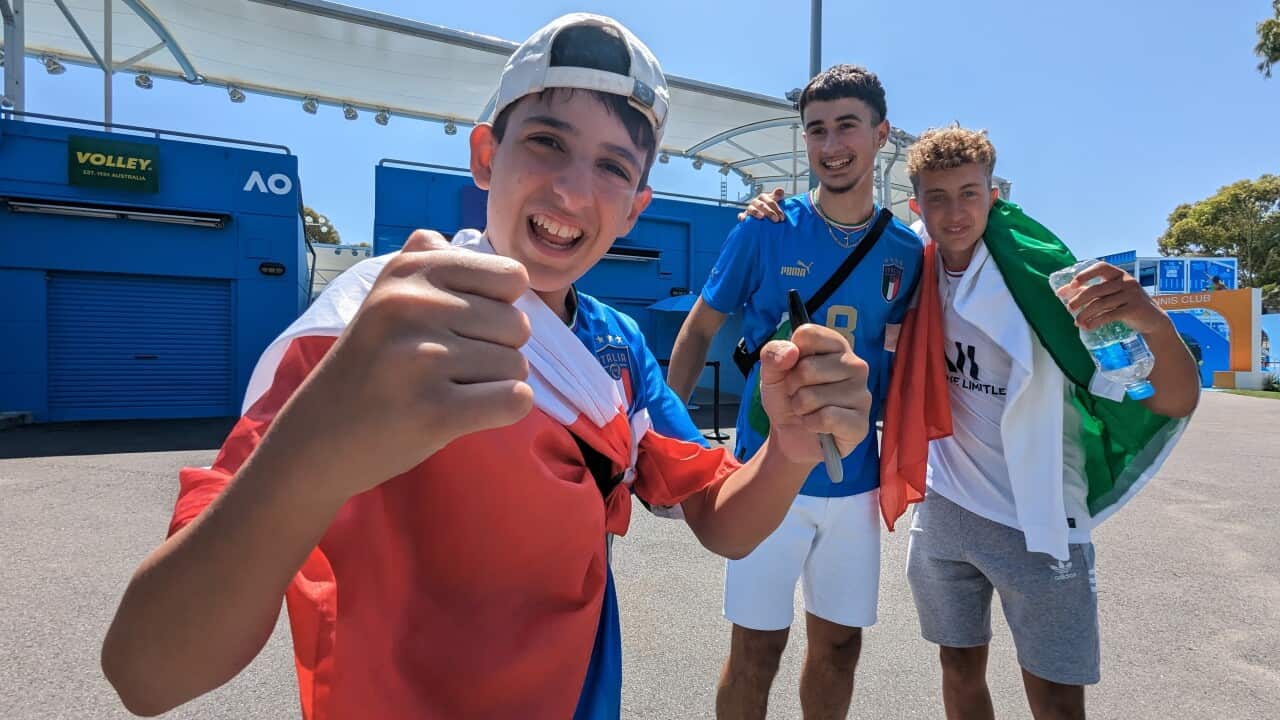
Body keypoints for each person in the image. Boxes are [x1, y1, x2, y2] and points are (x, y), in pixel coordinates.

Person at [99, 15, 874, 720]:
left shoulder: (619, 348)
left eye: (612, 166)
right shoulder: (368, 323)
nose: (573, 189)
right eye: (547, 142)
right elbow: (147, 673)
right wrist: (312, 453)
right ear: (485, 155)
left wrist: (790, 447)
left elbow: (722, 518)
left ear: (635, 209)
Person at [744, 126, 1200, 719]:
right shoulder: (913, 263)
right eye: (937, 197)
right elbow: (839, 234)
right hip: (946, 513)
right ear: (917, 205)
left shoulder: (1041, 282)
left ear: (994, 196)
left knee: (1057, 700)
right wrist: (773, 210)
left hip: (1038, 519)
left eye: (969, 194)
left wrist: (1153, 322)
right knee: (958, 674)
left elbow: (1171, 398)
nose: (954, 213)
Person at [666, 64, 922, 720]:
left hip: (854, 483)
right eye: (816, 129)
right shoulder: (766, 227)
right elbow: (698, 330)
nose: (831, 144)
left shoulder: (904, 251)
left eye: (847, 126)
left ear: (881, 135)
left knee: (839, 650)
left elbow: (908, 360)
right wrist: (668, 440)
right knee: (756, 650)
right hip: (765, 472)